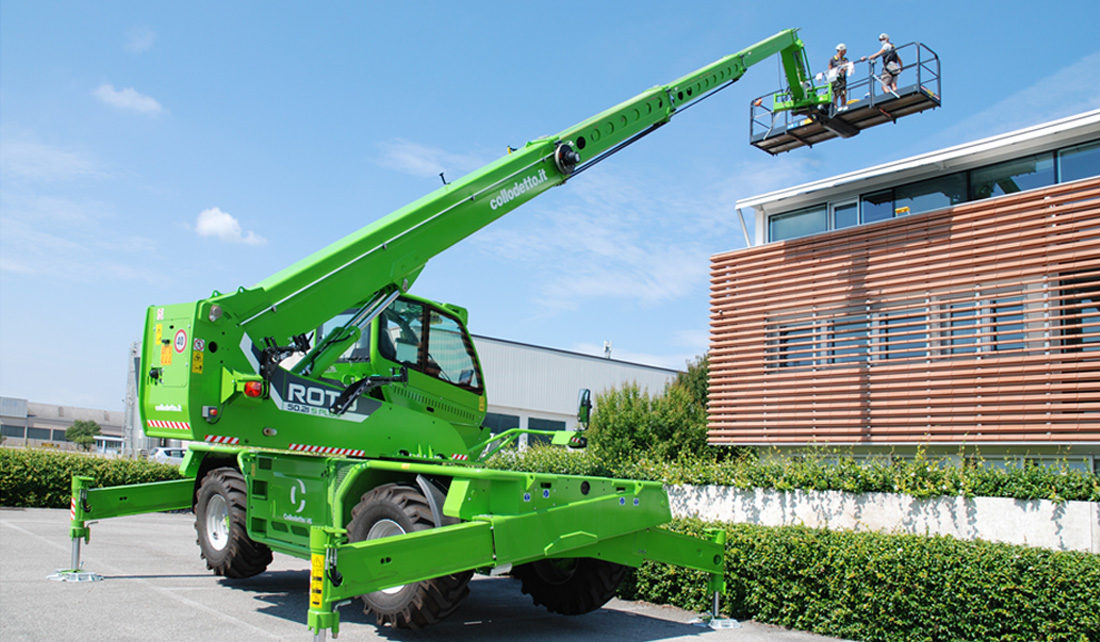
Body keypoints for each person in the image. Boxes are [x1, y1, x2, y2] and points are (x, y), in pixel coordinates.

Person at [827, 43, 851, 110]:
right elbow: (830, 68)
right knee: (836, 94)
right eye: (844, 50)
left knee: (843, 93)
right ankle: (835, 106)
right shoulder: (833, 59)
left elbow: (846, 66)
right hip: (835, 79)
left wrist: (843, 69)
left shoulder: (845, 59)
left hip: (842, 79)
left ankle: (843, 106)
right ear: (840, 50)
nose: (845, 52)